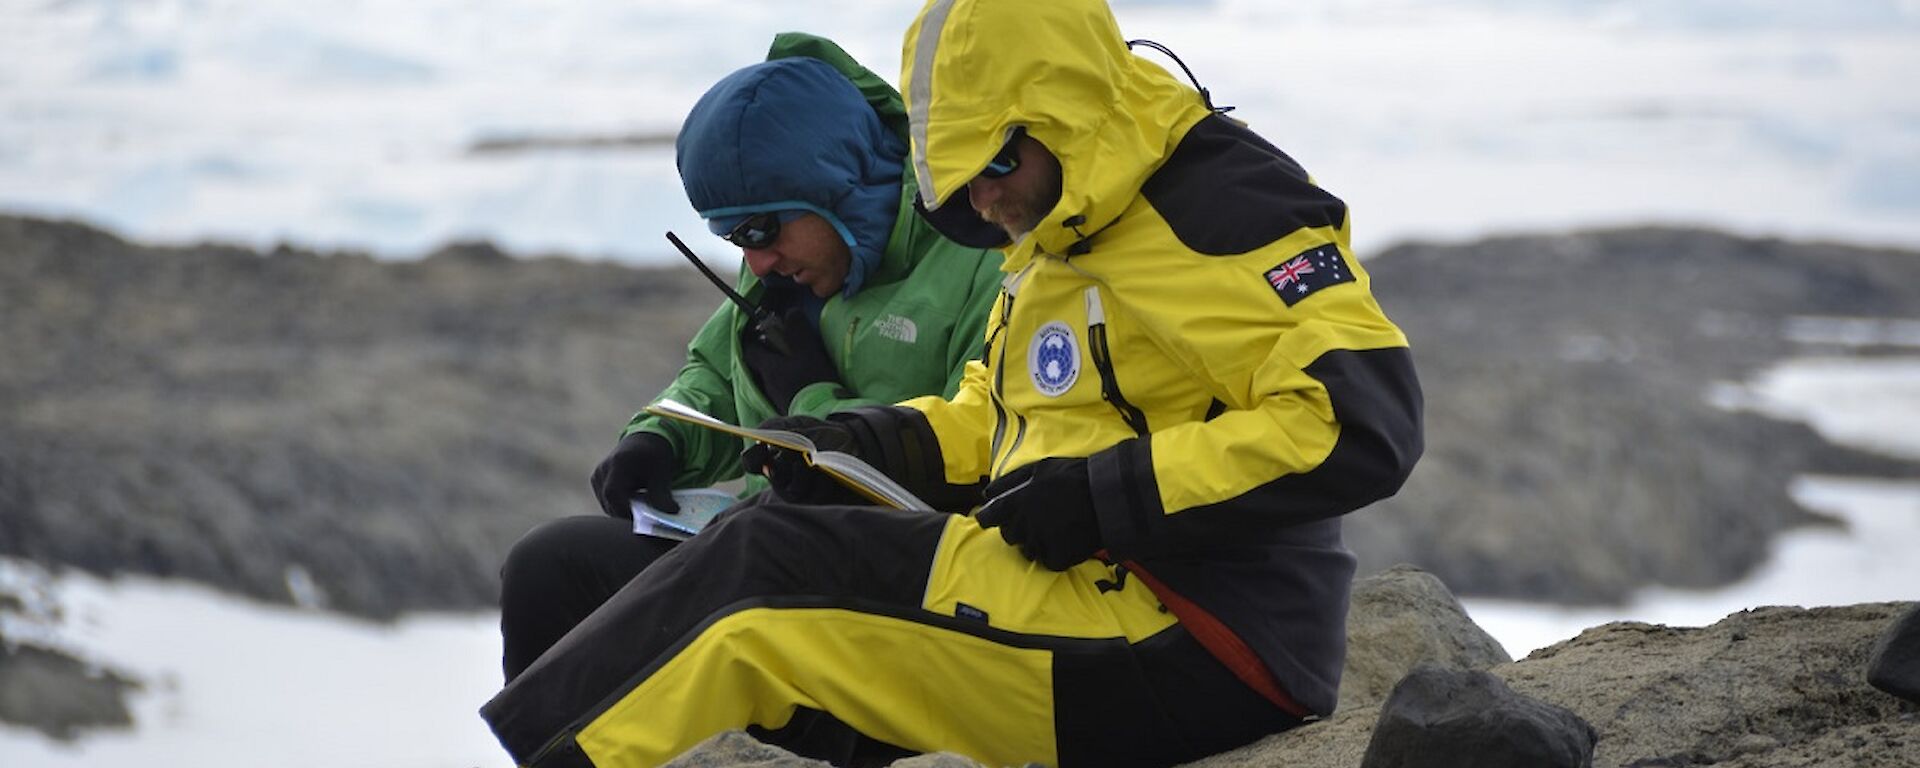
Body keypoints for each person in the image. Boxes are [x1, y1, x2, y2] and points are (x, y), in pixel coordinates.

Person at [481, 0, 1423, 764]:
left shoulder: (1218, 207)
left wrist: (1105, 497)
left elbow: (1359, 420)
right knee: (740, 567)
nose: (983, 200)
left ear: (1056, 111)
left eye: (996, 164)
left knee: (759, 574)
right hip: (1083, 593)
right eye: (963, 176)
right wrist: (877, 440)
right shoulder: (1067, 213)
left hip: (1192, 641)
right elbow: (1010, 409)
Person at [494, 32, 1003, 682]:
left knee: (720, 583)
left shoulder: (977, 260)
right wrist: (659, 441)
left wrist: (813, 400)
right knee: (550, 566)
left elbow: (967, 463)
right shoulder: (790, 267)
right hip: (770, 548)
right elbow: (712, 372)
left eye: (762, 229)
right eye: (733, 236)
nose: (754, 259)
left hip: (900, 581)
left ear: (838, 185)